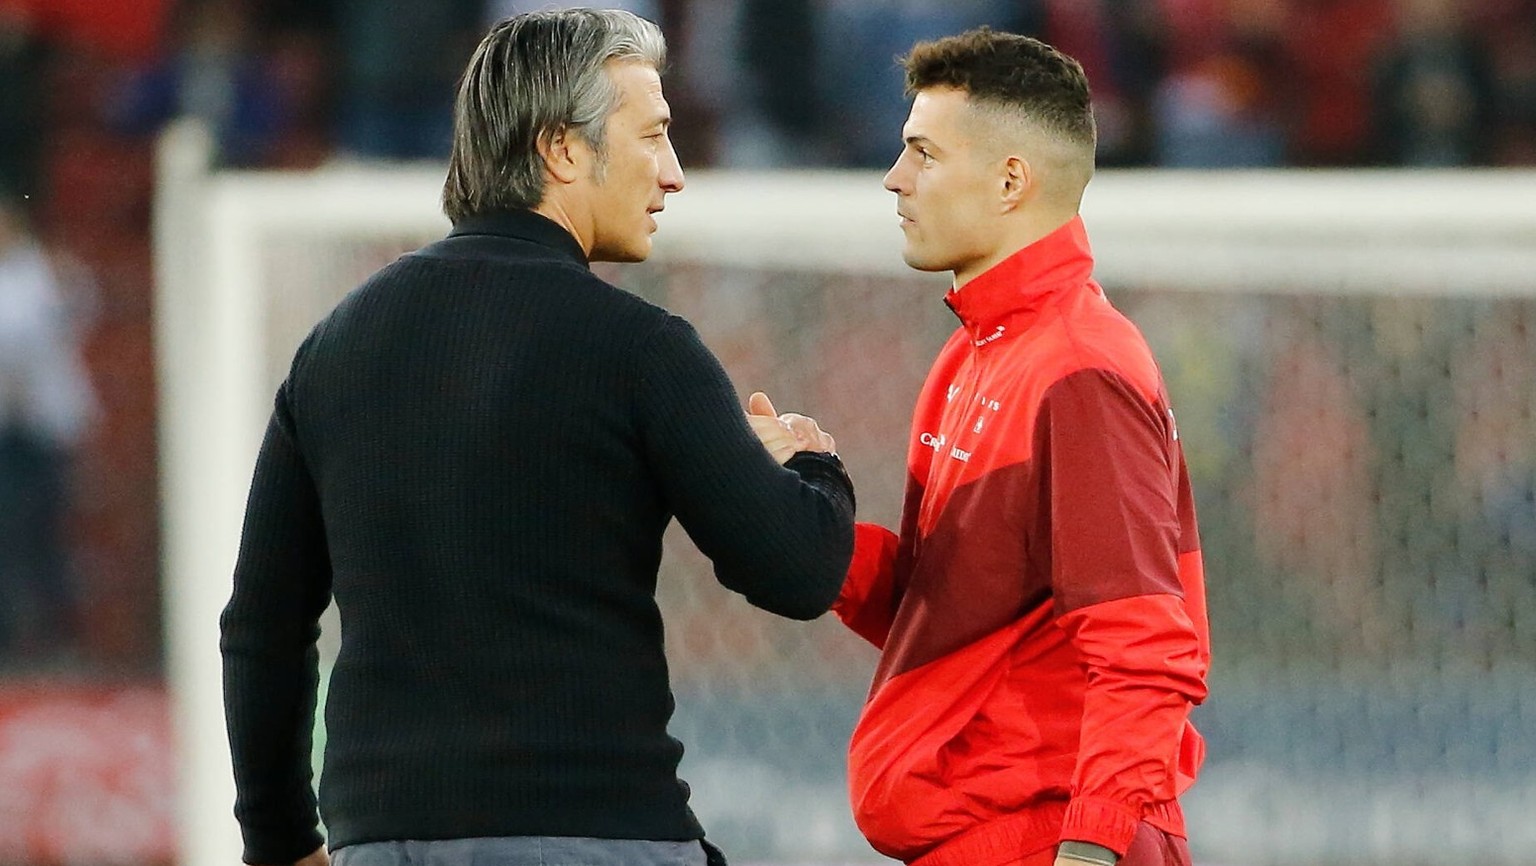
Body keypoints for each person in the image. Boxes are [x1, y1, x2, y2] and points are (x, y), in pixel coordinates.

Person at [219, 10, 854, 866]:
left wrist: (282, 842)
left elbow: (261, 623)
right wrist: (811, 466)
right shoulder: (640, 348)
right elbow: (798, 571)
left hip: (383, 841)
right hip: (599, 835)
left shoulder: (336, 346)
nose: (673, 174)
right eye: (653, 136)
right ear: (562, 149)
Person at [763, 28, 1210, 866]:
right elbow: (953, 615)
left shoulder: (1077, 368)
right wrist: (800, 511)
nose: (895, 179)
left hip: (1046, 837)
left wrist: (1094, 846)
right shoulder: (977, 356)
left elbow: (1145, 643)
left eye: (923, 154)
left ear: (1011, 180)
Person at [0, 192, 96, 662]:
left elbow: (80, 312)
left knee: (46, 533)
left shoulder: (47, 274)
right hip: (4, 430)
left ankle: (57, 641)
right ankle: (14, 640)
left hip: (42, 429)